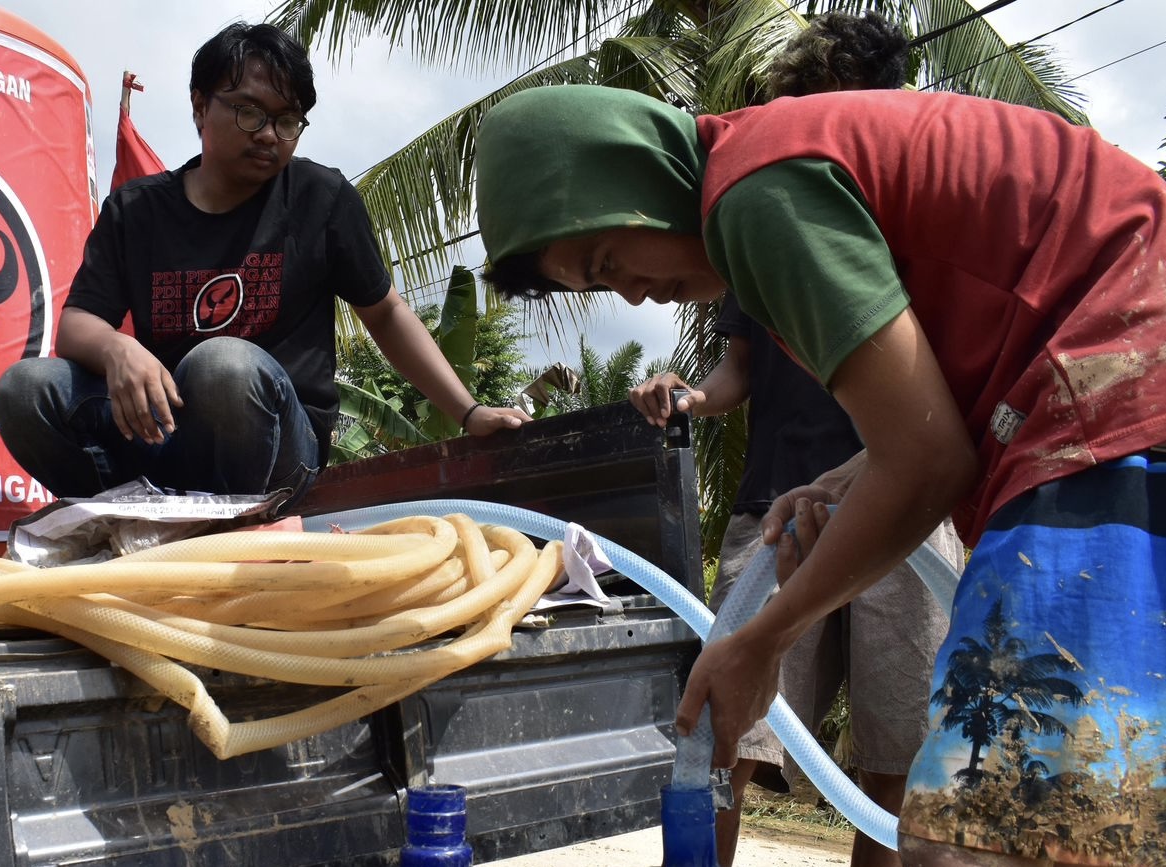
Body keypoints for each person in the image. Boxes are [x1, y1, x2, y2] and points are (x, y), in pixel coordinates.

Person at [473, 82, 1166, 866]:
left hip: (1117, 396)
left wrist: (763, 638)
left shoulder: (754, 191)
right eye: (600, 284)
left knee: (980, 837)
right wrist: (852, 472)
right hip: (1109, 386)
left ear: (632, 173)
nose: (631, 290)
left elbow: (929, 463)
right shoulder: (777, 168)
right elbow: (942, 413)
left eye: (608, 258)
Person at [630, 14, 960, 867]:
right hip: (775, 503)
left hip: (908, 507)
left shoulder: (914, 217)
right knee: (725, 739)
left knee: (899, 758)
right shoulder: (763, 216)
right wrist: (693, 396)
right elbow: (737, 371)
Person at [0, 23, 528, 505]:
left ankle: (229, 532)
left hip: (279, 453)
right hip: (163, 441)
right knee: (23, 389)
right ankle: (121, 515)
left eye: (288, 120)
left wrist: (468, 412)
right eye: (250, 112)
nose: (270, 134)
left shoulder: (321, 199)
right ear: (200, 106)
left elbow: (384, 313)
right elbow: (77, 323)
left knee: (222, 367)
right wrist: (116, 348)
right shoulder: (137, 211)